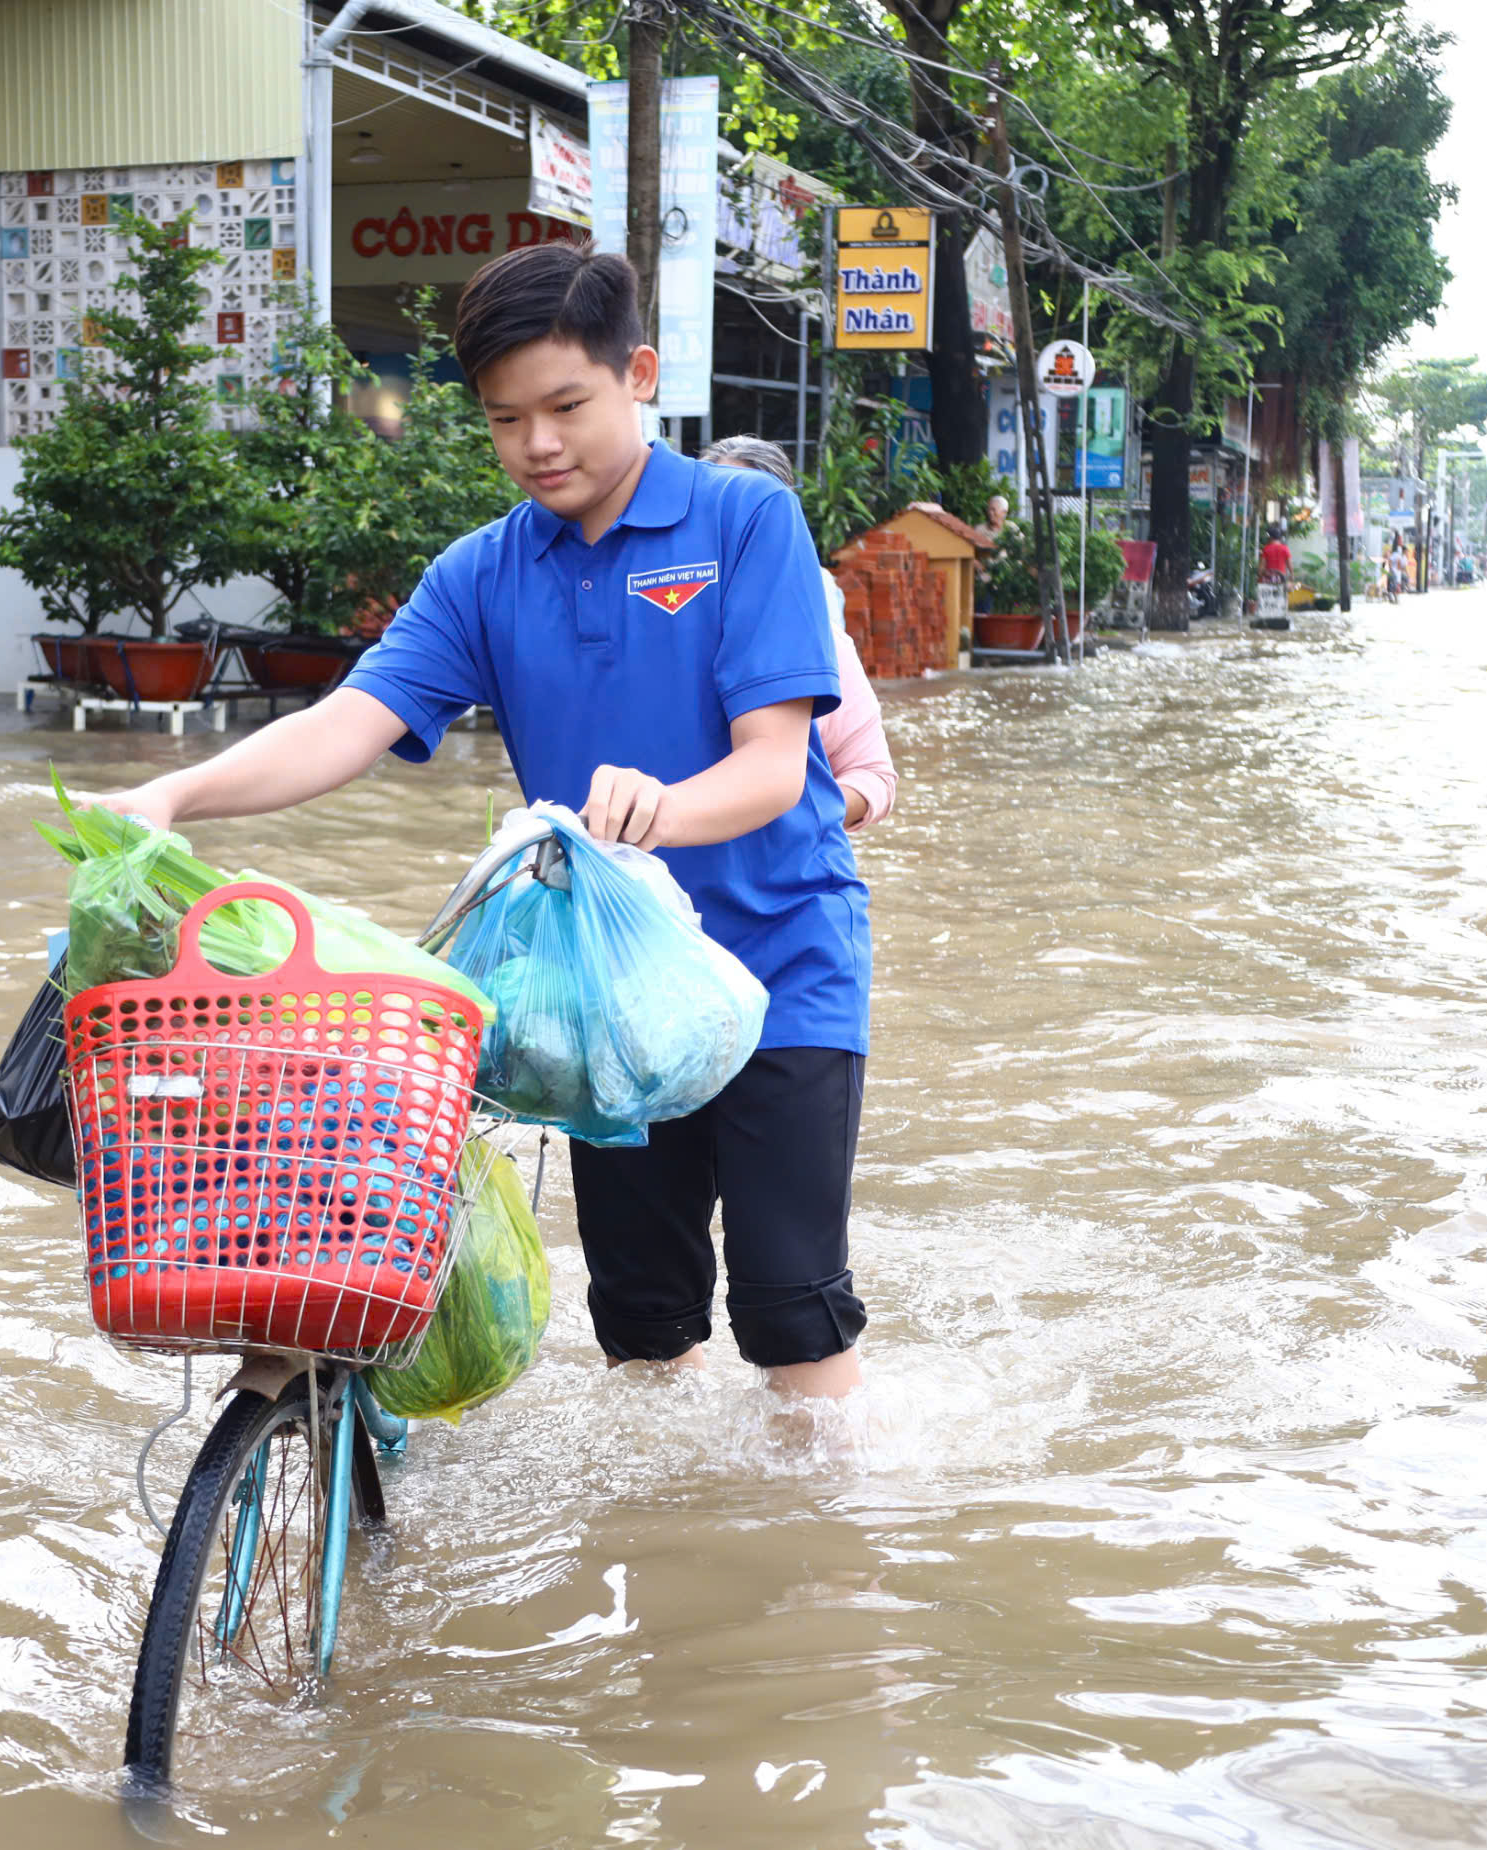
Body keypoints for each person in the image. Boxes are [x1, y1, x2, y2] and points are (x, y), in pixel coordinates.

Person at [89, 244, 872, 1401]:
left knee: (789, 1302)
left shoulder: (745, 521)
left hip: (785, 958)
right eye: (507, 421)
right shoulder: (481, 572)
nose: (539, 445)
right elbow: (349, 721)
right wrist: (171, 793)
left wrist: (657, 806)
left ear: (638, 373)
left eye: (566, 406)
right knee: (644, 1317)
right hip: (600, 989)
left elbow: (771, 767)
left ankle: (815, 1554)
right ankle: (677, 1549)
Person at [698, 435, 895, 832]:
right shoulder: (654, 635)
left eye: (749, 515)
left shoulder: (825, 645)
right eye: (713, 512)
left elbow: (873, 776)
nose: (730, 532)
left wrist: (798, 819)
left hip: (781, 883)